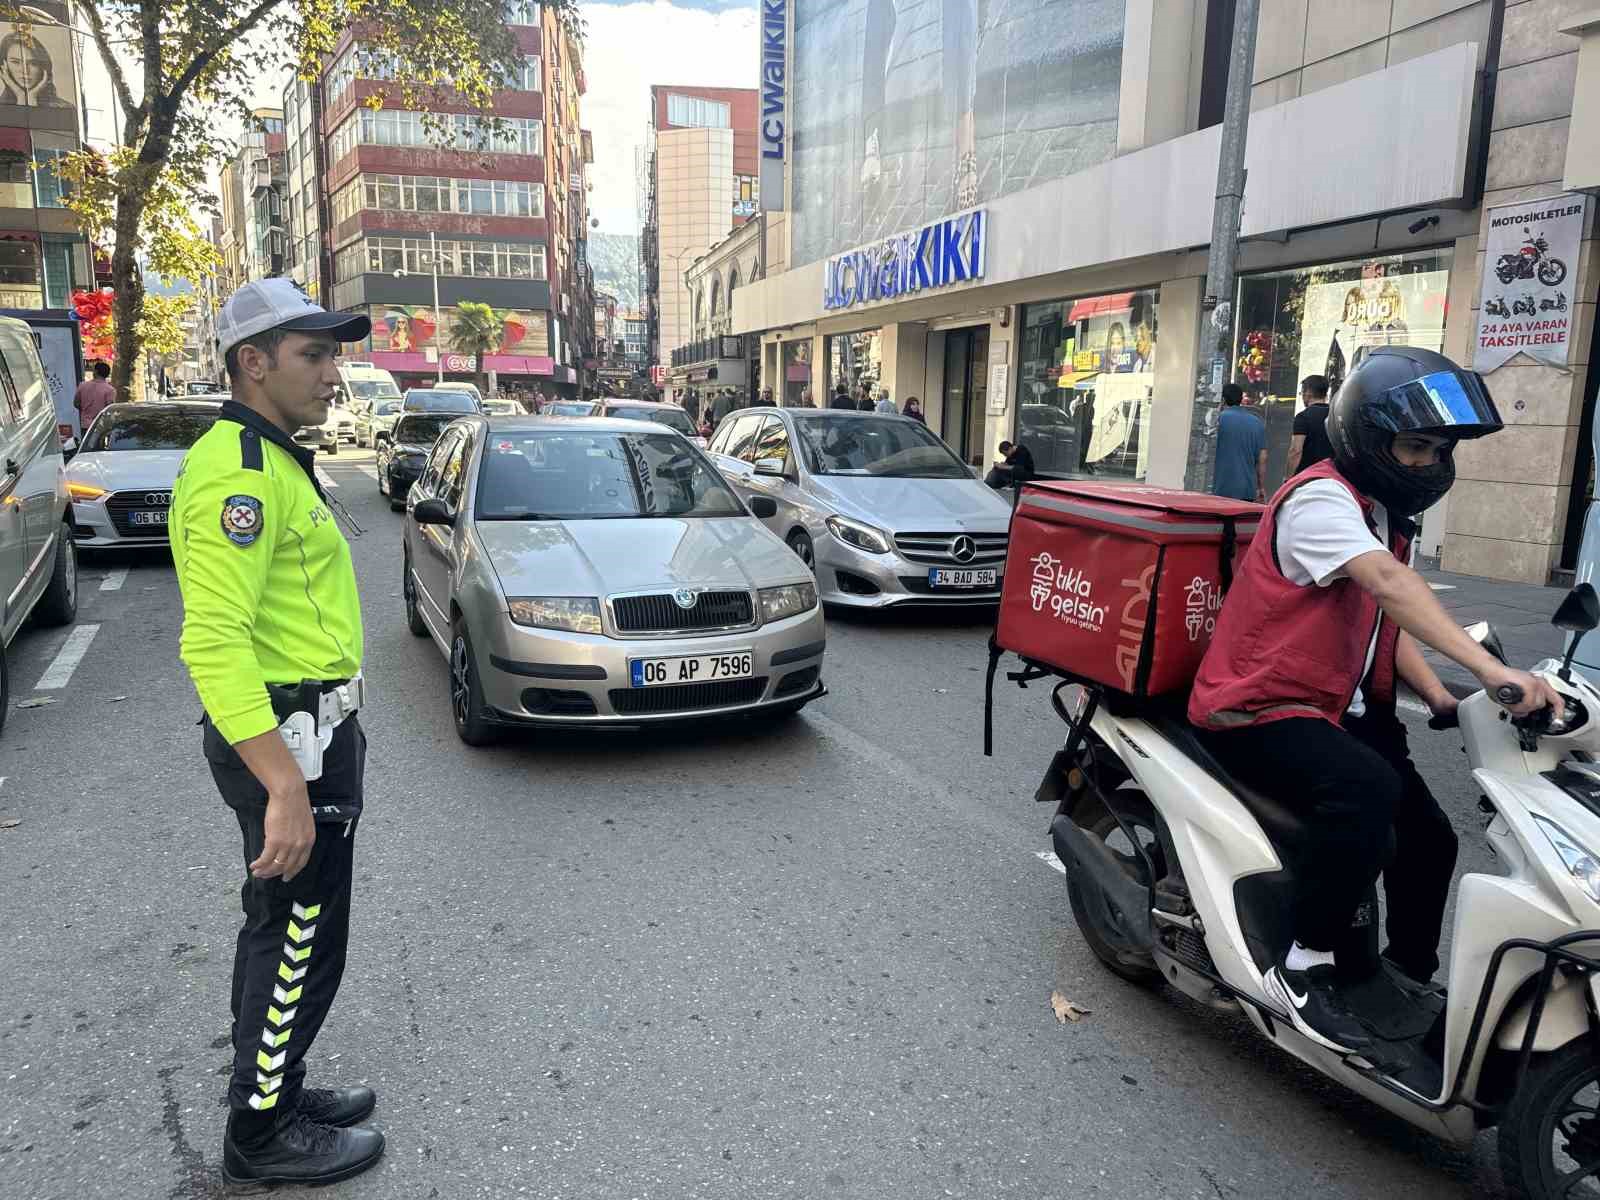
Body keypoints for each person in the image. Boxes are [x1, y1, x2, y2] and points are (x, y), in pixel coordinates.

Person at [1188, 346, 1560, 1054]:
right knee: (1366, 790)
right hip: (1257, 704)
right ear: (1368, 436)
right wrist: (1490, 671)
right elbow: (1391, 588)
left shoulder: (1381, 512)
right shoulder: (1321, 499)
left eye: (1438, 450)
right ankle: (1304, 964)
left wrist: (1441, 697)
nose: (1427, 464)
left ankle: (1404, 976)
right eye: (1415, 446)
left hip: (1330, 704)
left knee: (1431, 838)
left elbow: (1384, 622)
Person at [169, 278, 385, 1186]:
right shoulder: (238, 479)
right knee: (298, 936)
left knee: (285, 925)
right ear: (252, 365)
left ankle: (275, 1087)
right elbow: (212, 642)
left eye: (334, 353)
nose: (335, 374)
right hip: (286, 743)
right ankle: (260, 1133)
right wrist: (286, 787)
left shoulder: (274, 456)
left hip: (308, 729)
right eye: (315, 355)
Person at [1212, 382, 1266, 502]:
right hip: (1247, 489)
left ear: (1223, 400)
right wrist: (1261, 487)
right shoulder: (1257, 422)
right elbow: (1262, 458)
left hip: (1221, 488)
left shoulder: (1218, 420)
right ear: (1241, 399)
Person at [0, 32, 71, 107]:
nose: (25, 71)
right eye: (16, 62)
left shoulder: (65, 107)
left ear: (43, 67)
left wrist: (32, 98)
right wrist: (21, 96)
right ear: (4, 66)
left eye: (33, 63)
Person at [1285, 374, 1334, 477]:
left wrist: (1288, 479)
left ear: (1308, 393)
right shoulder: (1335, 415)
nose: (1302, 396)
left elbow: (1295, 451)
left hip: (1307, 477)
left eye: (1302, 392)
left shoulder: (1303, 417)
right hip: (1332, 476)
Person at [74, 360, 116, 432]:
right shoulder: (110, 390)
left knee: (86, 442)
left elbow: (76, 403)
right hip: (101, 425)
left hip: (85, 425)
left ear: (96, 372)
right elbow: (110, 409)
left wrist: (85, 409)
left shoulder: (82, 386)